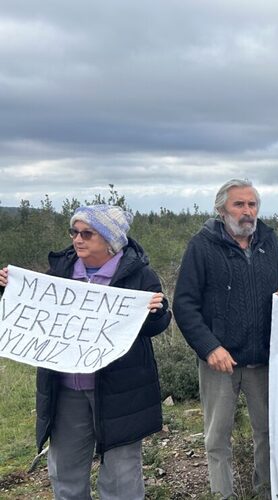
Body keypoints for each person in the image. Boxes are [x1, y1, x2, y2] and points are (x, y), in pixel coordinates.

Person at [0, 204, 170, 499]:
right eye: (74, 232)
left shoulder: (140, 275)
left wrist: (158, 312)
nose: (77, 239)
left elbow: (154, 327)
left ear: (110, 240)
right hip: (66, 390)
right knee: (65, 470)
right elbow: (36, 311)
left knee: (121, 476)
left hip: (120, 393)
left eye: (87, 233)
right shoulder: (60, 272)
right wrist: (9, 290)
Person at [173, 179, 278, 499]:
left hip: (264, 359)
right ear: (221, 210)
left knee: (269, 434)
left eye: (252, 204)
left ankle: (266, 492)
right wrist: (209, 347)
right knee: (217, 438)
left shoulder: (270, 241)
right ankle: (222, 495)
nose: (247, 211)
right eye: (238, 205)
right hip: (220, 362)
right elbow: (185, 304)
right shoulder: (202, 246)